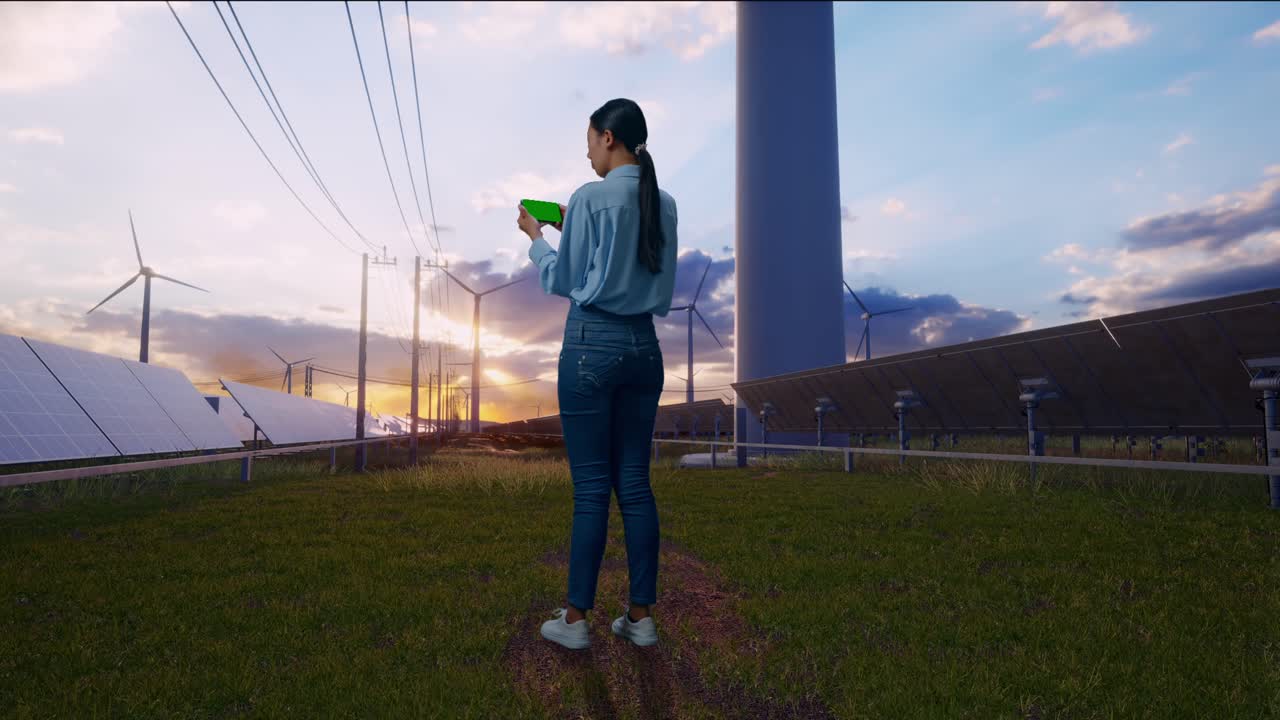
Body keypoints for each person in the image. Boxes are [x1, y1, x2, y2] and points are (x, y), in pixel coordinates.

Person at [515, 98, 678, 650]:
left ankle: (577, 621)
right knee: (634, 482)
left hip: (590, 344)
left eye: (588, 141)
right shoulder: (666, 204)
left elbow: (565, 278)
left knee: (590, 491)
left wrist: (537, 240)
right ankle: (640, 617)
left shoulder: (589, 198)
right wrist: (574, 222)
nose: (586, 153)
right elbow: (632, 266)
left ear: (609, 137)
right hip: (643, 349)